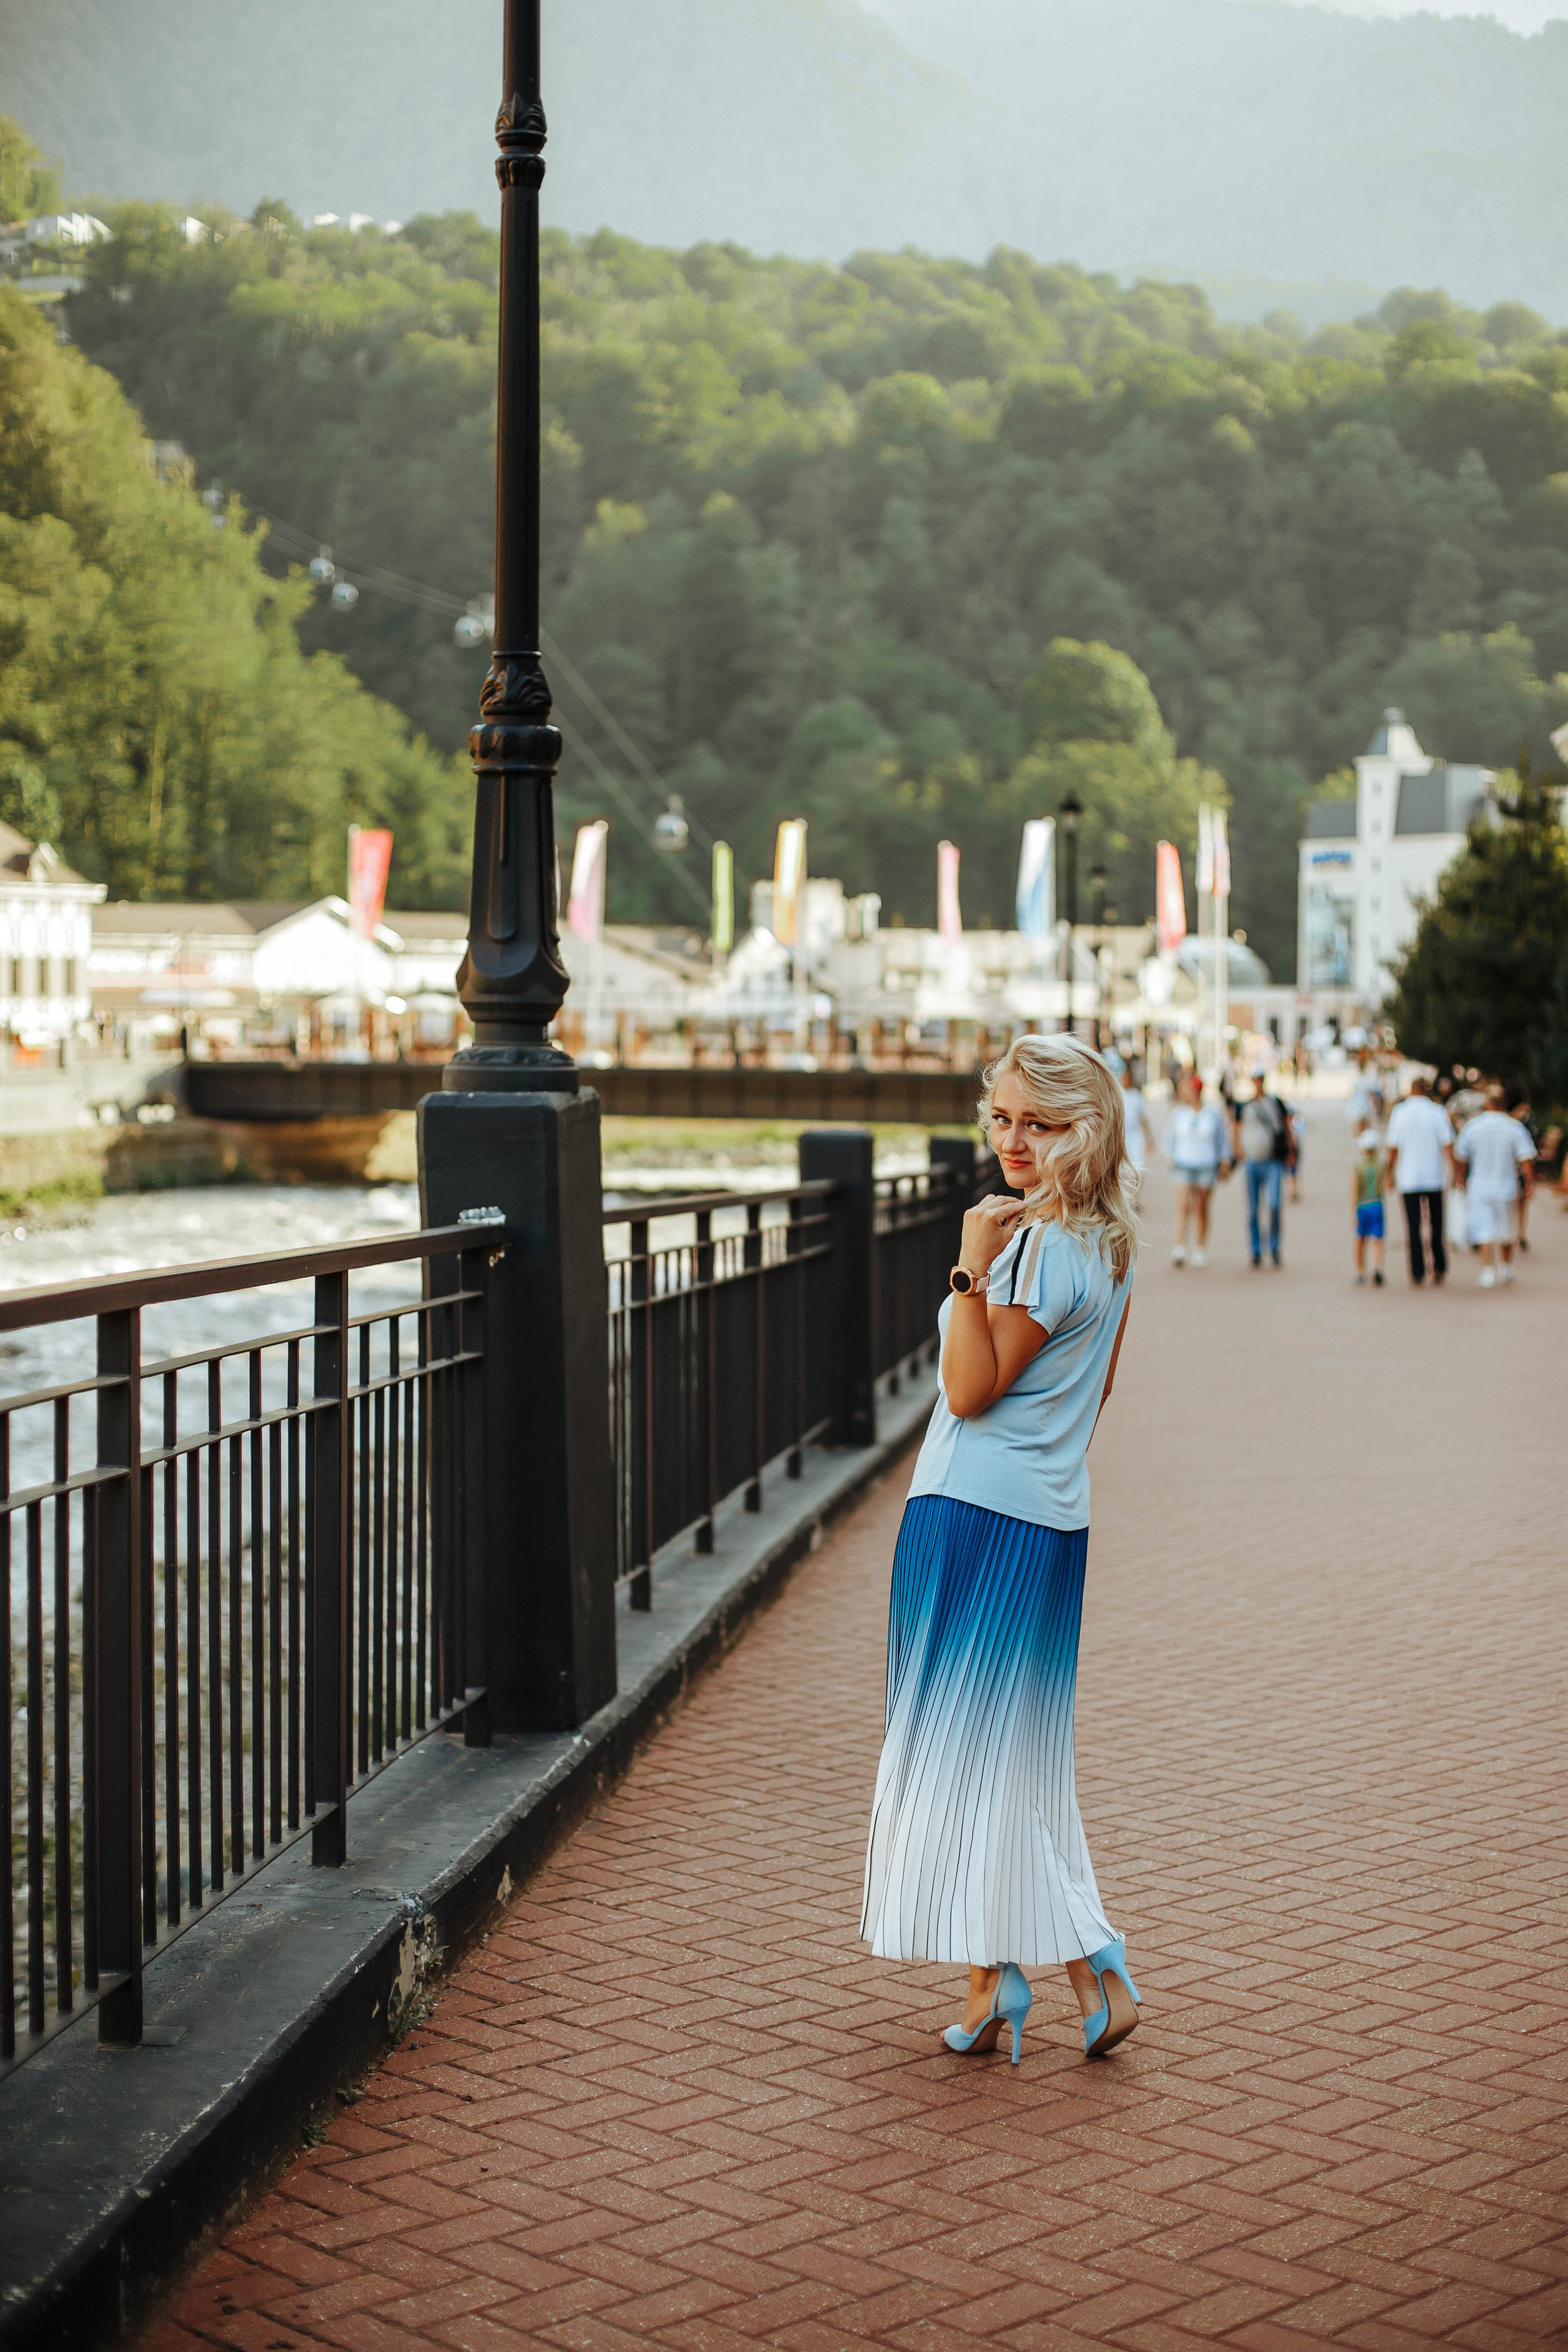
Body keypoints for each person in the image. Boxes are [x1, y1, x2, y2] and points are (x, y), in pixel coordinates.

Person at [861, 1034, 1140, 2067]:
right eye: (1003, 1118)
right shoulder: (1107, 1244)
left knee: (960, 1757)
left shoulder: (1032, 1247)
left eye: (1041, 1122)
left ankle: (1088, 1966)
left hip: (973, 1514)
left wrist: (967, 1271)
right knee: (1008, 1761)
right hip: (1048, 1516)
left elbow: (970, 1391)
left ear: (1086, 1131)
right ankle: (1000, 1982)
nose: (1014, 1141)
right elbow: (1097, 1393)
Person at [1453, 1084, 1535, 1289]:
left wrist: (1460, 1177)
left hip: (1480, 1185)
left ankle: (1488, 1269)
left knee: (1484, 1229)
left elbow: (1461, 1157)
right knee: (1506, 1229)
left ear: (1487, 1104)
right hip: (1506, 1185)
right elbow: (1526, 1161)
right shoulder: (1514, 1127)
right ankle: (1506, 1266)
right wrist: (1529, 1185)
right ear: (1505, 1104)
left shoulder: (1473, 1126)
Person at [1383, 1076, 1455, 1286]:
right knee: (1437, 1224)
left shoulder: (1401, 1112)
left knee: (1413, 1227)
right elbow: (1448, 1143)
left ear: (1411, 1090)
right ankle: (1439, 1266)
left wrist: (1390, 1173)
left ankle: (1417, 1271)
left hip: (1409, 1178)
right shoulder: (1438, 1111)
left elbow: (1393, 1147)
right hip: (1434, 1177)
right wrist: (1456, 1172)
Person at [1161, 1070, 1230, 1267]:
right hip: (1183, 1164)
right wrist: (1169, 1156)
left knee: (1201, 1208)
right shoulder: (1178, 1114)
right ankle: (1180, 1246)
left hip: (1206, 1165)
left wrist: (1225, 1160)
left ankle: (1200, 1247)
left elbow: (1222, 1142)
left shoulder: (1212, 1115)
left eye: (1188, 1089)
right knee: (1183, 1206)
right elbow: (1168, 1139)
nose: (1184, 1093)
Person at [1231, 1066, 1295, 1268]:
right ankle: (1256, 1249)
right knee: (1253, 1209)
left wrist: (1292, 1151)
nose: (1258, 1083)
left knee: (1274, 1205)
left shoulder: (1275, 1103)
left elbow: (1286, 1126)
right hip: (1252, 1162)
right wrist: (1237, 1150)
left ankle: (1274, 1247)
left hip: (1273, 1161)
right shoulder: (1245, 1106)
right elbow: (1236, 1128)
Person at [1351, 1128, 1386, 1286]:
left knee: (1360, 1240)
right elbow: (1385, 1184)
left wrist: (1353, 1210)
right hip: (1377, 1203)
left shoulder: (1357, 1165)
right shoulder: (1381, 1164)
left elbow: (1355, 1190)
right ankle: (1377, 1267)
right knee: (1377, 1239)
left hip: (1362, 1205)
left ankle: (1360, 1271)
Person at [1119, 1060, 1149, 1174]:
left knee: (1138, 1169)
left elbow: (1143, 1119)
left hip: (1135, 1137)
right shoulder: (1117, 1094)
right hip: (1122, 1138)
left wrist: (1149, 1140)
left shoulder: (1136, 1096)